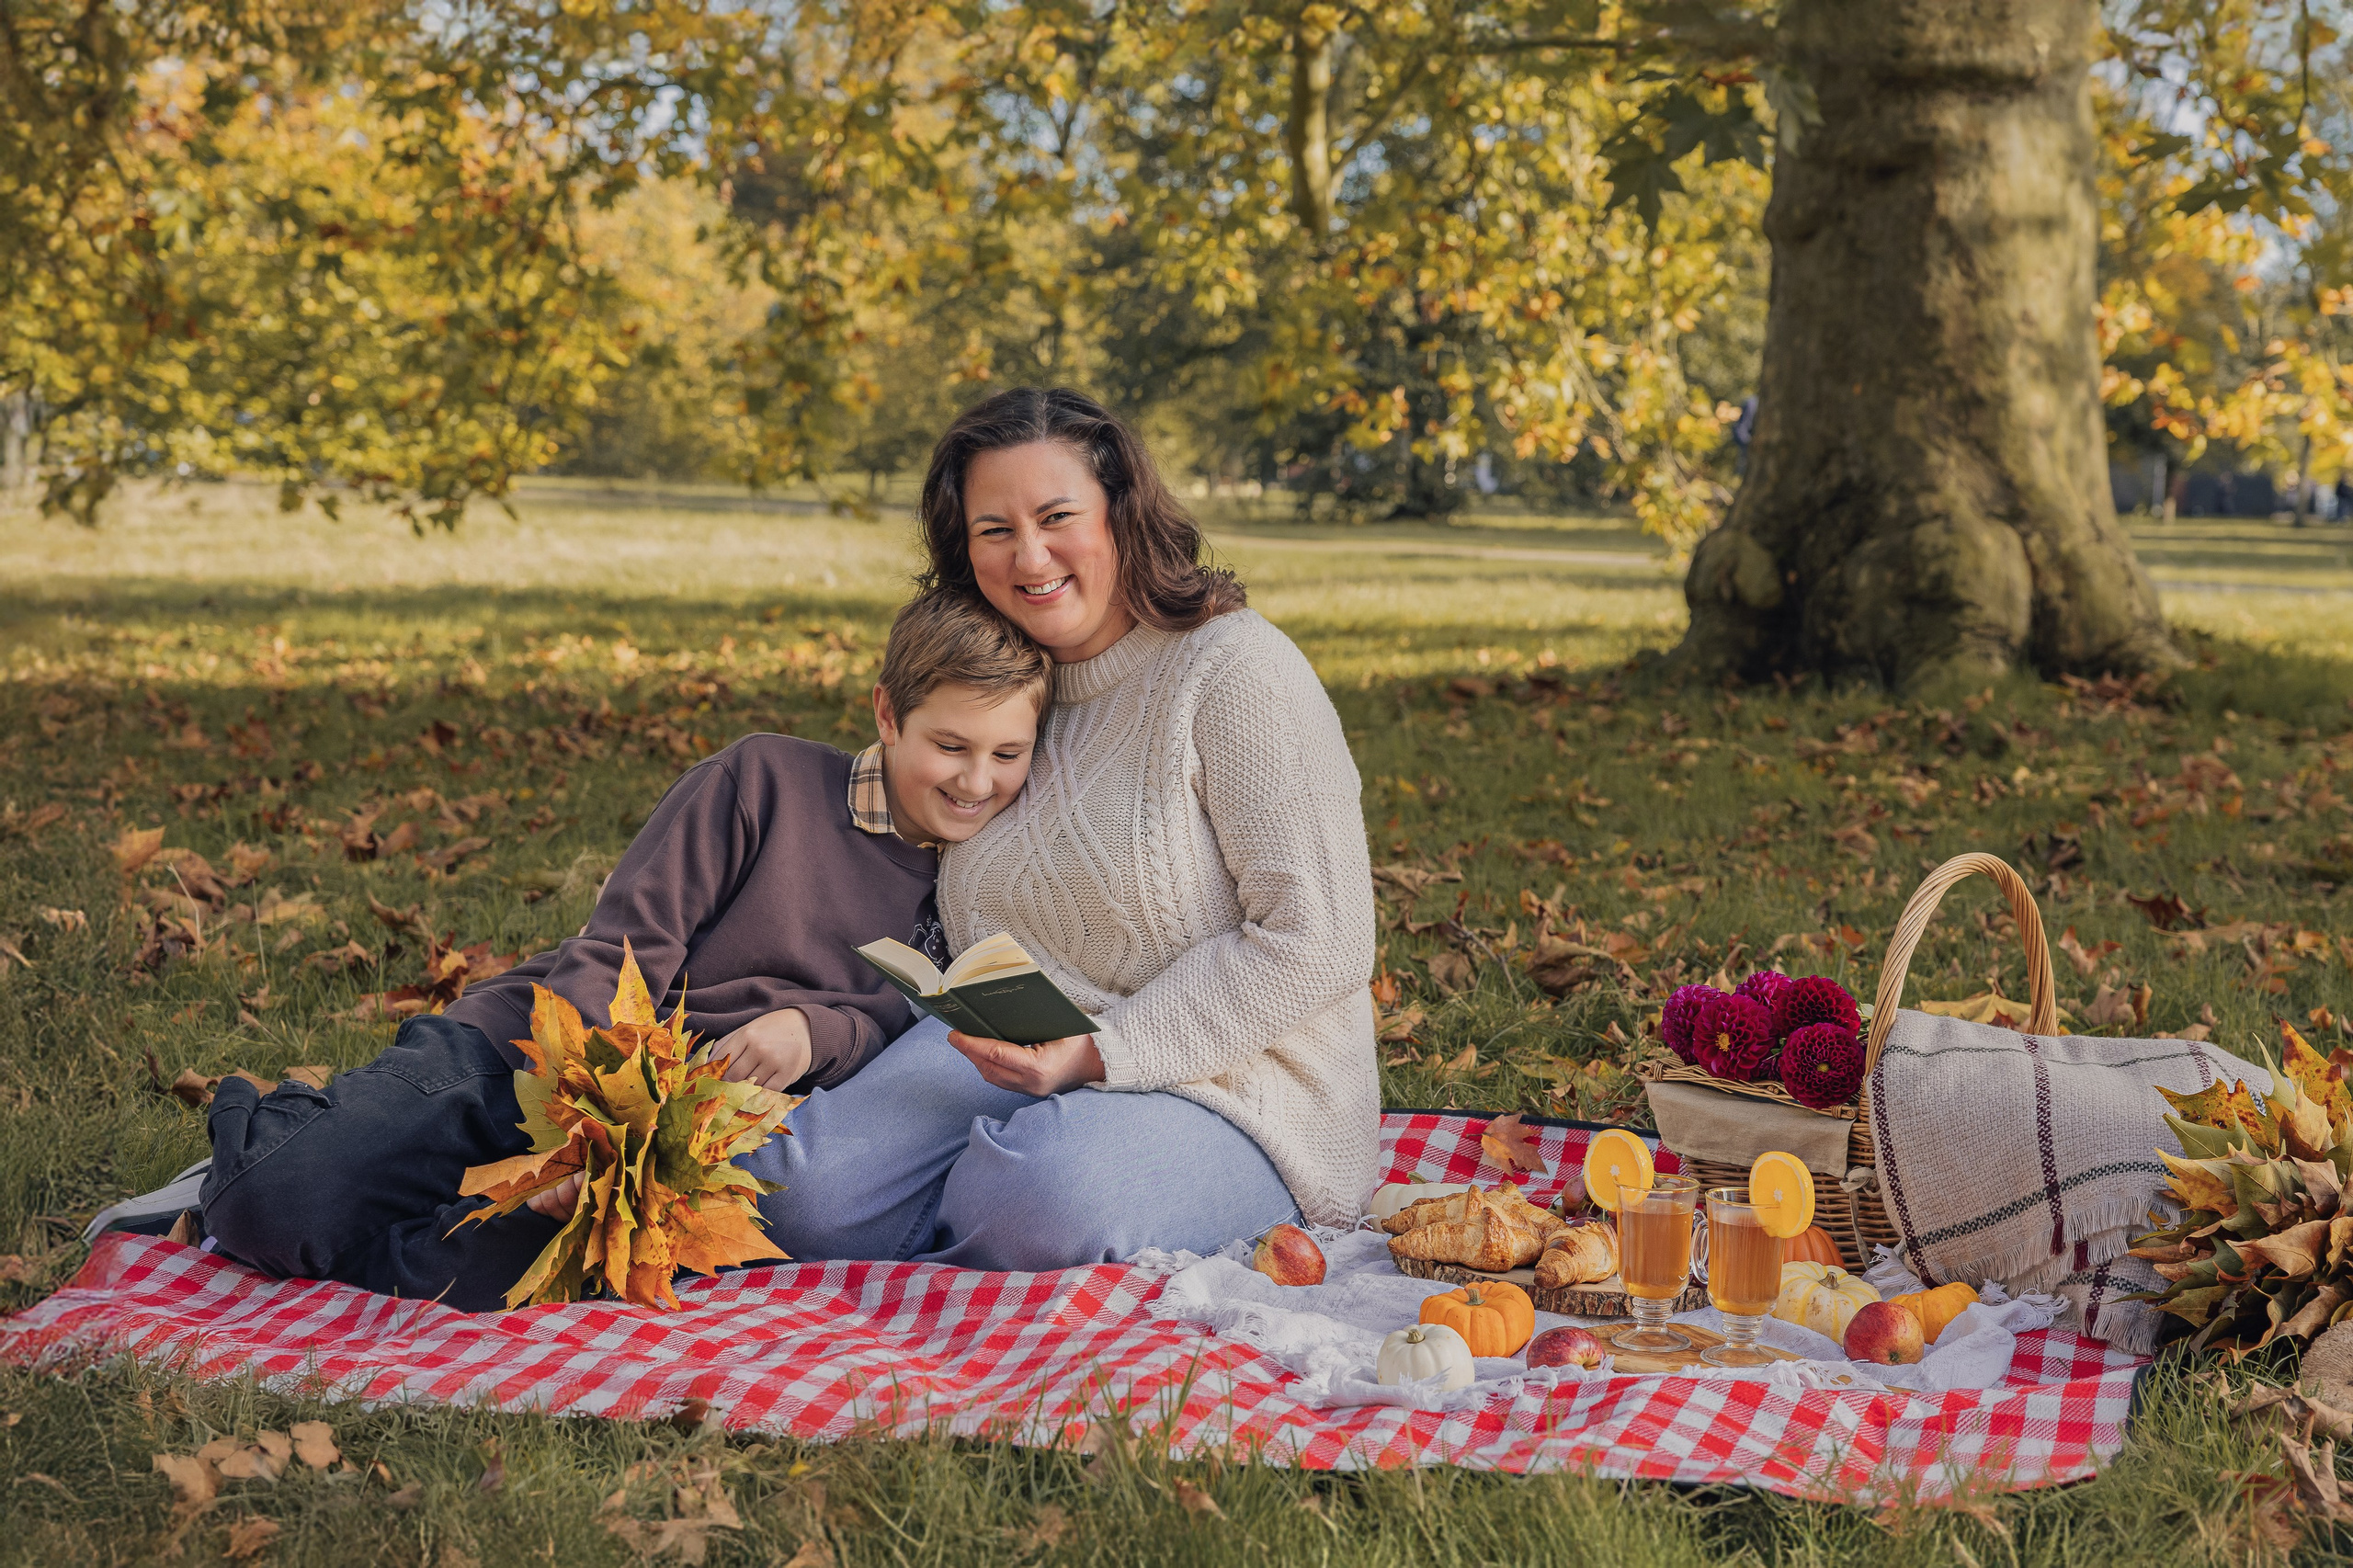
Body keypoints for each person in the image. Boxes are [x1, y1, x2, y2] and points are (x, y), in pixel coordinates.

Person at [84, 592, 1052, 1310]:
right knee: (270, 1202)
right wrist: (578, 1126)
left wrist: (816, 1030)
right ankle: (277, 1140)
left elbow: (910, 1016)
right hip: (528, 1059)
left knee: (461, 1282)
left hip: (655, 1150)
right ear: (888, 714)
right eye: (951, 745)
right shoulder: (764, 780)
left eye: (1007, 756)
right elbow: (623, 944)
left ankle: (384, 1216)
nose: (976, 781)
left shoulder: (977, 884)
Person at [745, 387, 1381, 1269]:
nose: (1030, 555)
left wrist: (1099, 1054)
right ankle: (964, 1219)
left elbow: (1322, 940)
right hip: (1006, 1055)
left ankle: (979, 1213)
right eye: (994, 529)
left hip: (1238, 1089)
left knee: (1031, 1196)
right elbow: (876, 816)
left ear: (1120, 513)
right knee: (791, 1196)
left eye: (1056, 516)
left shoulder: (1235, 671)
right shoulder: (1000, 687)